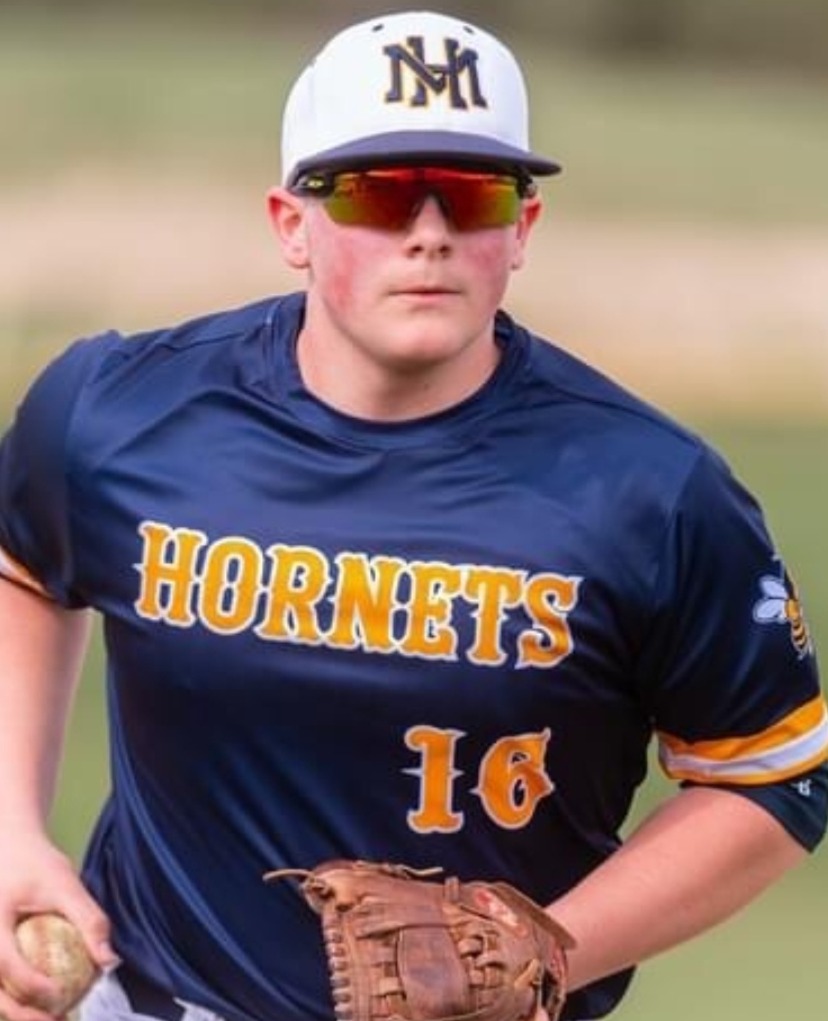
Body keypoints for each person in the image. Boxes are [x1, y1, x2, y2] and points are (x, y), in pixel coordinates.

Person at [0, 9, 825, 1021]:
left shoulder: (651, 491)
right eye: (379, 192)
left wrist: (548, 948)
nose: (429, 232)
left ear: (520, 230)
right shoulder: (120, 415)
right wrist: (11, 830)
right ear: (292, 223)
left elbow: (772, 777)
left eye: (473, 195)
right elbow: (23, 562)